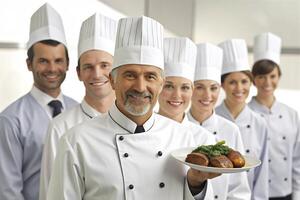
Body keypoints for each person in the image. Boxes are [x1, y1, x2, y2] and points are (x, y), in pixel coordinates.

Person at [46, 16, 219, 200]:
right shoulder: (76, 141)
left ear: (161, 83)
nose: (140, 87)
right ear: (113, 80)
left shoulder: (183, 137)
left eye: (150, 76)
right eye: (130, 75)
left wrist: (196, 185)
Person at [0, 3, 77, 200]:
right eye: (43, 61)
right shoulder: (11, 120)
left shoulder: (78, 110)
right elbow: (8, 191)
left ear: (67, 64)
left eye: (58, 60)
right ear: (29, 64)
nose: (52, 68)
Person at [39, 13, 116, 200]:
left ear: (117, 70)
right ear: (79, 73)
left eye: (104, 65)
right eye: (88, 67)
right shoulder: (60, 127)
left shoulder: (136, 123)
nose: (97, 74)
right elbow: (50, 192)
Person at [187, 42, 251, 200]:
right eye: (199, 87)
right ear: (189, 88)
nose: (207, 95)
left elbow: (238, 188)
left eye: (213, 88)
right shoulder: (178, 127)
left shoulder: (230, 129)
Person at [248, 32, 300, 200]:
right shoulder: (246, 114)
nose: (267, 83)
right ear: (254, 79)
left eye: (272, 76)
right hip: (252, 193)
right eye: (261, 77)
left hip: (286, 193)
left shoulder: (291, 114)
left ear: (279, 77)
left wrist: (297, 193)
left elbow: (297, 158)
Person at [216, 39, 269, 200]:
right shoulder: (212, 118)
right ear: (222, 85)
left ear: (251, 83)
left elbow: (262, 175)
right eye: (232, 82)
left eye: (244, 81)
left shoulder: (259, 123)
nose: (239, 88)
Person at [158, 37, 215, 145]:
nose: (176, 95)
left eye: (185, 88)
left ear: (192, 90)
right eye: (169, 86)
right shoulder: (142, 130)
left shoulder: (204, 139)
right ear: (158, 87)